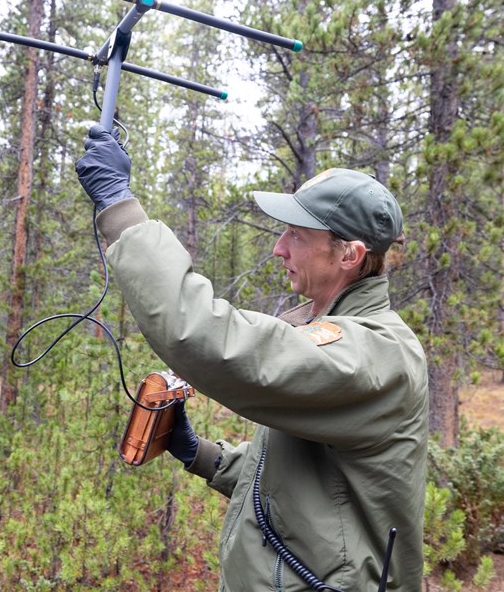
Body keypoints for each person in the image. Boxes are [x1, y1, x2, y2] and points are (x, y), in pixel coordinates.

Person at [75, 125, 429, 592]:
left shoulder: (377, 352)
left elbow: (206, 337)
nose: (279, 247)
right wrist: (202, 454)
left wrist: (120, 208)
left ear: (349, 255)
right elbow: (311, 486)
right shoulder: (338, 335)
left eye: (297, 235)